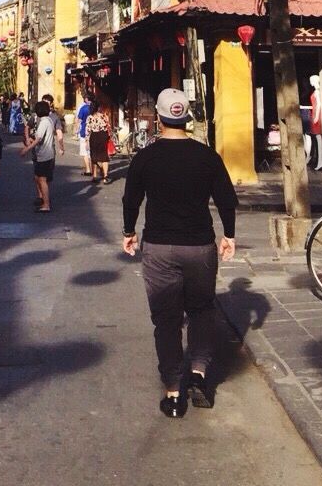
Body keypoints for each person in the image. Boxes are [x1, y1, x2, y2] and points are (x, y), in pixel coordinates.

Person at [122, 88, 237, 419]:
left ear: (158, 118)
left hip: (159, 247)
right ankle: (199, 373)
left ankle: (173, 393)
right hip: (200, 246)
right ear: (186, 117)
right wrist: (228, 235)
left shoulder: (145, 157)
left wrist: (129, 232)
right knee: (201, 310)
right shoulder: (207, 157)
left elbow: (131, 200)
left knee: (167, 319)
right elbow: (227, 200)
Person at [20, 100, 56, 213]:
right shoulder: (49, 120)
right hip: (48, 153)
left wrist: (26, 149)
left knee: (42, 180)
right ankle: (44, 200)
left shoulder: (44, 122)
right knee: (38, 177)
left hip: (43, 154)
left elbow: (39, 138)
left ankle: (46, 204)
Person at [85, 100, 113, 185]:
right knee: (104, 156)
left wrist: (86, 141)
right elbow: (109, 127)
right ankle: (105, 177)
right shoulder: (104, 116)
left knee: (93, 156)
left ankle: (94, 176)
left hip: (93, 136)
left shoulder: (89, 117)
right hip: (103, 136)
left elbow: (87, 130)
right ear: (98, 107)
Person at [76, 95, 92, 176]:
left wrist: (76, 130)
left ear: (86, 99)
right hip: (94, 132)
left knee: (85, 152)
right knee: (93, 151)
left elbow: (79, 120)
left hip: (84, 132)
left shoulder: (83, 108)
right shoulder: (95, 108)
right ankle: (95, 169)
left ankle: (88, 170)